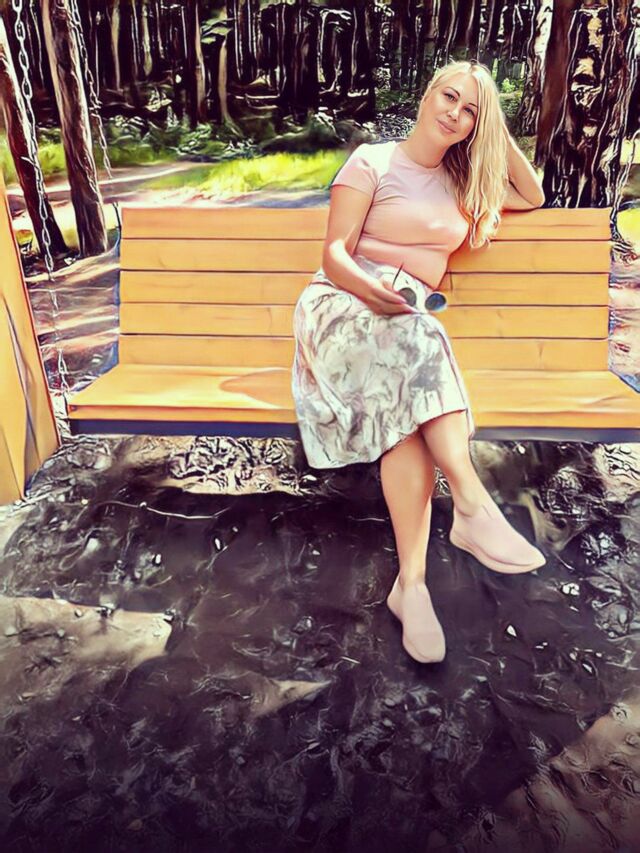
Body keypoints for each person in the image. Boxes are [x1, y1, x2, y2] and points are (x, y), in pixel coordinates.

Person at [291, 59, 547, 664]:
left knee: (407, 412)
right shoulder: (372, 162)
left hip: (405, 328)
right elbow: (333, 254)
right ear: (428, 93)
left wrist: (494, 126)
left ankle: (412, 586)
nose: (454, 114)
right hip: (345, 306)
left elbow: (532, 195)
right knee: (421, 338)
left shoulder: (465, 182)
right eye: (449, 97)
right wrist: (370, 290)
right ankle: (471, 503)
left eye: (470, 111)